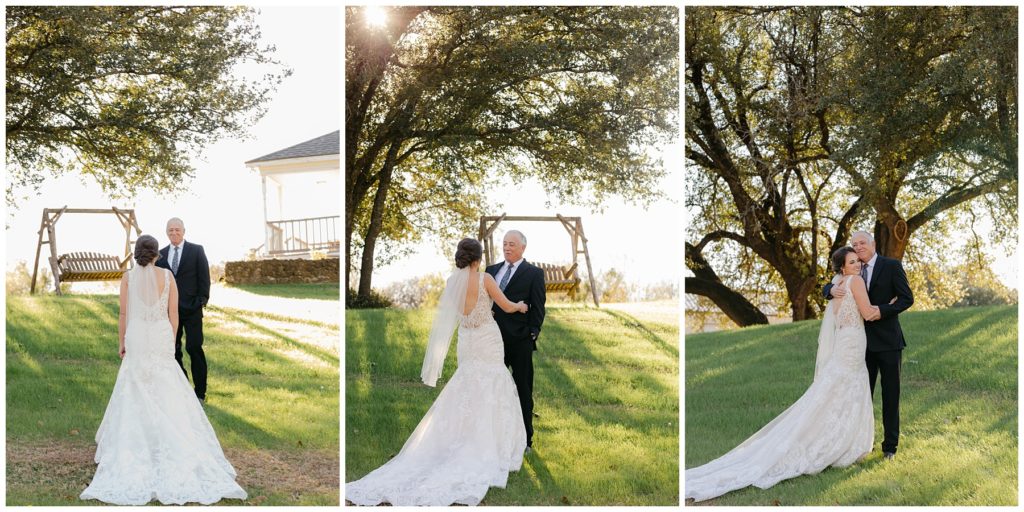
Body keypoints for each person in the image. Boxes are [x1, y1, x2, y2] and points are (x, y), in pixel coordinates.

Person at [685, 247, 877, 502]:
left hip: (844, 342)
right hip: (852, 342)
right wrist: (892, 305)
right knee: (848, 388)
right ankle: (843, 443)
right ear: (843, 267)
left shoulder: (836, 285)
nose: (857, 265)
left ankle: (834, 436)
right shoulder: (855, 283)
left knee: (834, 389)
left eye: (857, 262)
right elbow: (868, 313)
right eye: (852, 262)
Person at [346, 238, 529, 506]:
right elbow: (505, 305)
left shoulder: (450, 283)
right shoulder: (485, 279)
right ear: (477, 259)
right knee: (492, 385)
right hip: (487, 339)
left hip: (466, 341)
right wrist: (521, 306)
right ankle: (486, 445)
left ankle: (461, 440)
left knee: (467, 386)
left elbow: (454, 315)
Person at [80, 235, 245, 505]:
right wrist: (170, 338)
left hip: (136, 335)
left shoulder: (127, 278)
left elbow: (123, 314)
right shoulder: (168, 277)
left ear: (136, 254)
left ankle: (136, 443)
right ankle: (170, 440)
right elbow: (173, 314)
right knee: (166, 386)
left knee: (135, 385)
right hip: (159, 335)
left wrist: (122, 341)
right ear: (157, 254)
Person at [823, 231, 913, 459]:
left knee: (891, 396)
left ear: (873, 243)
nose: (858, 246)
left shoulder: (891, 266)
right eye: (854, 244)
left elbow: (906, 298)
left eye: (862, 242)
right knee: (862, 395)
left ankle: (890, 447)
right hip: (860, 345)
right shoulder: (851, 268)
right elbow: (832, 284)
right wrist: (829, 290)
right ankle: (860, 441)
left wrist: (882, 310)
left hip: (889, 342)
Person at [485, 230, 546, 450]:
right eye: (504, 244)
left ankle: (525, 441)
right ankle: (494, 438)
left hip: (520, 341)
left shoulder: (534, 273)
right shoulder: (491, 271)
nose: (507, 248)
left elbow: (538, 307)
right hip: (491, 341)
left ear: (522, 247)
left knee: (523, 390)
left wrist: (533, 332)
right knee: (492, 390)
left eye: (512, 244)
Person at [155, 217, 211, 402]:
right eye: (170, 230)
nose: (174, 233)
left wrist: (201, 300)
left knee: (194, 347)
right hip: (169, 312)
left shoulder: (196, 250)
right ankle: (184, 387)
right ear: (166, 232)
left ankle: (200, 393)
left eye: (177, 229)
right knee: (173, 350)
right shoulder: (160, 255)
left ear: (184, 231)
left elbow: (204, 277)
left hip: (192, 309)